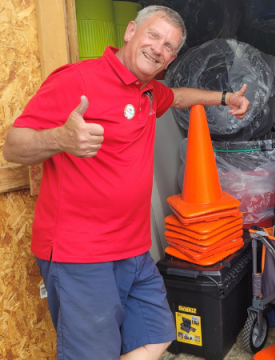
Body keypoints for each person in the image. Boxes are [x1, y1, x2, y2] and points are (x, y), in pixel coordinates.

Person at [3, 5, 250, 360]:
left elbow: (177, 96)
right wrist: (61, 139)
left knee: (158, 336)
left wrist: (226, 99)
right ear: (131, 31)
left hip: (134, 250)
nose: (158, 49)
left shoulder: (149, 92)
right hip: (82, 254)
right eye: (153, 35)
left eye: (169, 46)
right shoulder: (78, 79)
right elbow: (14, 145)